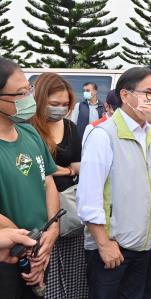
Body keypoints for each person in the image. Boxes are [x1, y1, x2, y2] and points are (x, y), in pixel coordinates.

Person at [77, 67, 151, 299]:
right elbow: (89, 197)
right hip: (112, 248)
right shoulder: (103, 135)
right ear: (125, 96)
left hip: (144, 245)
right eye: (148, 92)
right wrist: (104, 244)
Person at [0, 57, 59, 298]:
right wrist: (26, 244)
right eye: (20, 94)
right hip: (8, 255)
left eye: (29, 89)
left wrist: (53, 228)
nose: (29, 99)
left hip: (39, 249)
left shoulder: (29, 132)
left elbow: (48, 182)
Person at [30, 72, 87, 299]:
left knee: (75, 271)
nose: (60, 109)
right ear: (40, 100)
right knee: (43, 270)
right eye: (54, 104)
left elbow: (78, 166)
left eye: (65, 104)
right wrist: (61, 170)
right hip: (39, 211)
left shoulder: (71, 128)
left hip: (70, 210)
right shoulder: (27, 128)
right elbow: (38, 169)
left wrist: (59, 169)